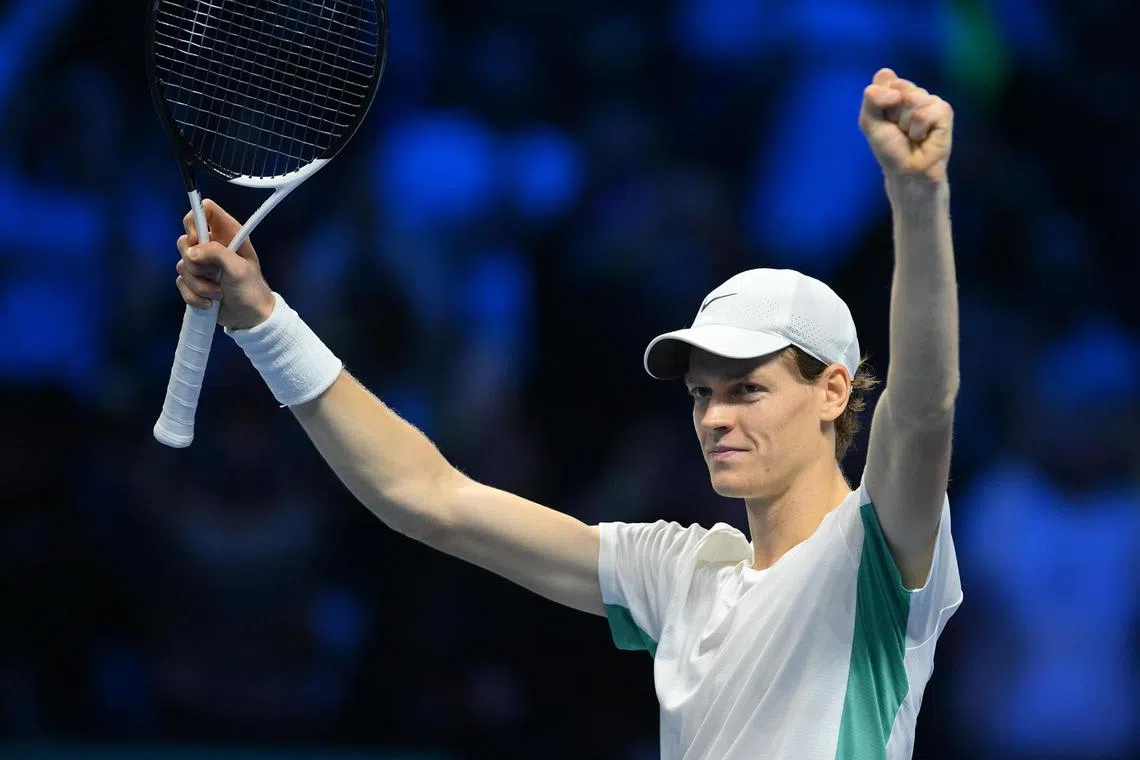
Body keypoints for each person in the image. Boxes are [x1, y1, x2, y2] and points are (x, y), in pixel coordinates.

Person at [172, 68, 961, 759]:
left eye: (746, 389)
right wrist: (264, 319)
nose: (714, 417)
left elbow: (922, 412)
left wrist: (918, 200)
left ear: (832, 393)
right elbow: (432, 499)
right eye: (701, 394)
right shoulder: (679, 574)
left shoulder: (875, 558)